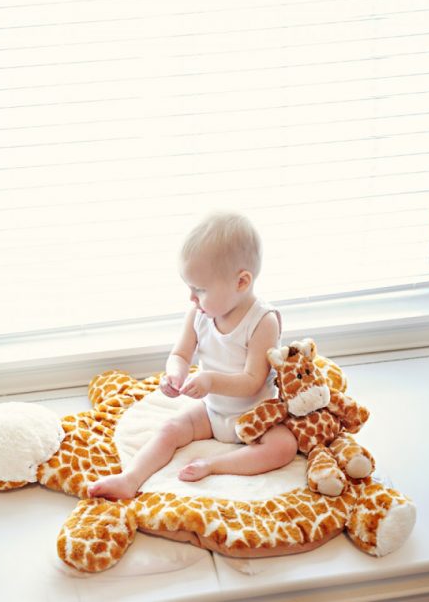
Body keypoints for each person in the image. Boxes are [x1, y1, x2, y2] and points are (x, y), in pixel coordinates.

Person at [88, 211, 297, 500]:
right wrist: (175, 374)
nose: (191, 297)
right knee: (170, 429)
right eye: (189, 288)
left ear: (241, 282)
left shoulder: (263, 321)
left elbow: (252, 381)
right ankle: (130, 478)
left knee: (284, 447)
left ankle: (214, 465)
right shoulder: (199, 314)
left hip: (256, 415)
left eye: (200, 289)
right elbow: (180, 354)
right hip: (212, 411)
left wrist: (209, 381)